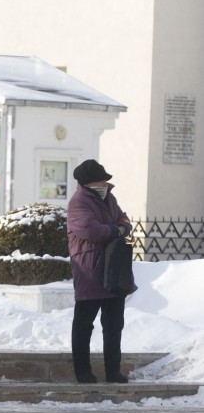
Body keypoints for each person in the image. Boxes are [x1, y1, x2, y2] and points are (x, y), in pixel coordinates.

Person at [67, 159, 136, 384]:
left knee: (114, 325)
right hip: (90, 271)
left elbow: (124, 219)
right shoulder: (78, 202)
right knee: (84, 325)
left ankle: (113, 372)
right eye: (101, 179)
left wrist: (120, 227)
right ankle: (83, 372)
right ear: (88, 183)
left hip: (113, 270)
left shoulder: (109, 198)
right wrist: (117, 229)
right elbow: (91, 230)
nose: (105, 183)